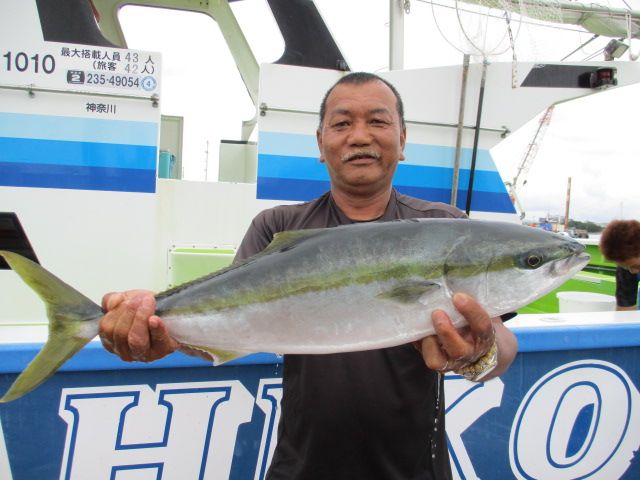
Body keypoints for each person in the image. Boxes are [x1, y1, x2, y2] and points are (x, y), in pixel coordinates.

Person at [98, 72, 518, 479]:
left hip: (415, 470)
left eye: (377, 121)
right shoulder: (277, 227)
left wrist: (479, 354)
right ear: (321, 143)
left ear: (402, 139)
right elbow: (228, 328)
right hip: (301, 466)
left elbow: (501, 345)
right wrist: (158, 331)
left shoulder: (446, 227)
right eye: (342, 124)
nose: (359, 136)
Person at [600, 219, 640, 311]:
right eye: (625, 266)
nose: (632, 271)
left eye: (636, 266)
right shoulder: (625, 268)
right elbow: (625, 310)